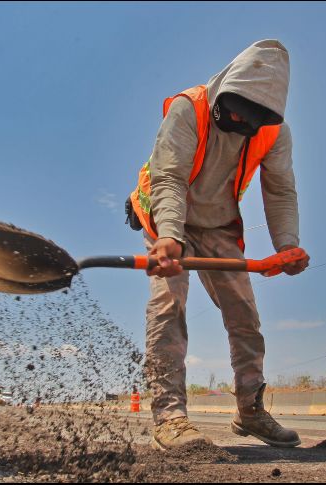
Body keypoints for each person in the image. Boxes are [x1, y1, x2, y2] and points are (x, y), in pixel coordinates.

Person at [126, 39, 309, 450]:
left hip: (220, 226)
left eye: (253, 117)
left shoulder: (275, 132)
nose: (242, 118)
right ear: (227, 87)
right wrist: (169, 237)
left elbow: (280, 190)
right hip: (169, 217)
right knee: (169, 307)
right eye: (236, 108)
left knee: (244, 316)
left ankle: (250, 411)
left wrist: (287, 246)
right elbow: (168, 177)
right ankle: (170, 417)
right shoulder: (188, 108)